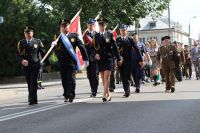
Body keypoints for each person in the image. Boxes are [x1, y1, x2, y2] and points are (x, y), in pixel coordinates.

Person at [52, 19, 89, 103]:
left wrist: (86, 59)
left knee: (71, 79)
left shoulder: (74, 36)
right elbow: (56, 50)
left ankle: (71, 94)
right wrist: (54, 46)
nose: (64, 27)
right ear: (60, 27)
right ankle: (66, 94)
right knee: (64, 79)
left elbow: (82, 48)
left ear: (69, 27)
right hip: (62, 61)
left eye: (66, 26)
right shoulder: (57, 37)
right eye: (62, 26)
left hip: (71, 62)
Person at [93, 18, 122, 102]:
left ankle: (104, 95)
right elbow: (92, 48)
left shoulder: (109, 34)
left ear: (105, 26)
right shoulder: (96, 36)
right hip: (100, 59)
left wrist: (118, 58)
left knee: (106, 76)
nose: (102, 26)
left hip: (109, 58)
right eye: (100, 25)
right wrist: (95, 54)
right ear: (98, 26)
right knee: (102, 78)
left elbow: (115, 47)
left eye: (103, 25)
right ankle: (108, 94)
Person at [16, 26, 46, 105]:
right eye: (26, 33)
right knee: (29, 82)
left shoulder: (37, 41)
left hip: (35, 65)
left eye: (29, 32)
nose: (28, 34)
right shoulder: (21, 43)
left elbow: (43, 52)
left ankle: (32, 98)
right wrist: (22, 60)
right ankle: (33, 98)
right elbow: (17, 54)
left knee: (33, 82)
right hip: (26, 66)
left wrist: (46, 63)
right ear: (24, 34)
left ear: (32, 33)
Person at [116, 24, 143, 97]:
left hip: (128, 61)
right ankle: (126, 90)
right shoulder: (117, 39)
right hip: (120, 61)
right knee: (122, 76)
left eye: (124, 30)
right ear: (120, 31)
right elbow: (115, 51)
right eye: (121, 30)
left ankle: (127, 92)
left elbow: (137, 49)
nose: (123, 32)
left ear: (126, 31)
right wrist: (116, 59)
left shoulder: (130, 39)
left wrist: (141, 59)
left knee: (127, 76)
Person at [83, 18, 99, 97]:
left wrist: (97, 54)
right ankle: (92, 89)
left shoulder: (97, 34)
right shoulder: (83, 35)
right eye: (89, 24)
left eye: (92, 24)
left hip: (95, 58)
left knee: (95, 74)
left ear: (94, 25)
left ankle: (94, 90)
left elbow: (99, 47)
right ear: (87, 25)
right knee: (89, 75)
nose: (90, 26)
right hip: (87, 58)